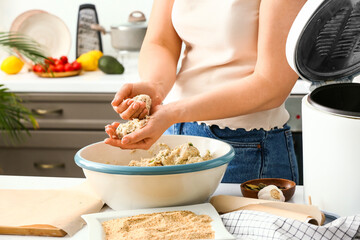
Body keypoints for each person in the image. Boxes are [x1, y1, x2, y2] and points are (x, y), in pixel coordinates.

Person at [104, 0, 307, 184]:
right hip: (173, 132)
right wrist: (154, 87)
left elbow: (271, 85)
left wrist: (173, 112)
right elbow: (161, 42)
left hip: (246, 147)